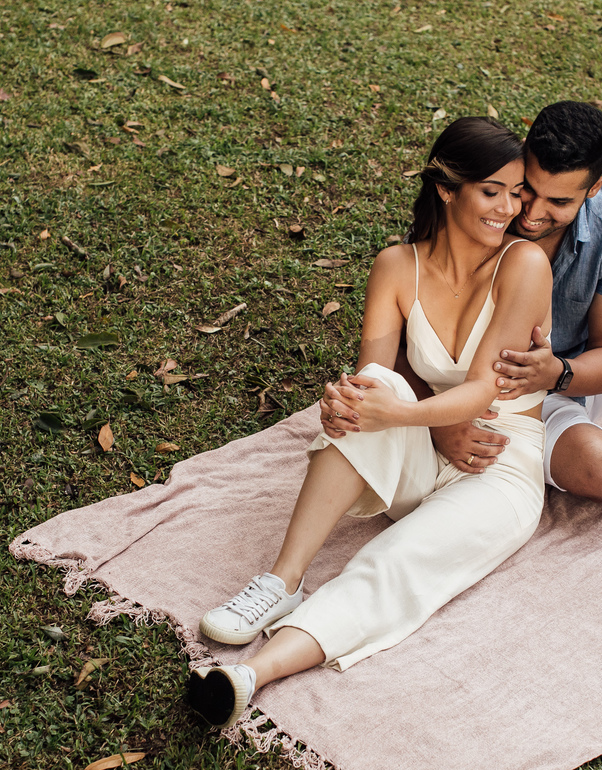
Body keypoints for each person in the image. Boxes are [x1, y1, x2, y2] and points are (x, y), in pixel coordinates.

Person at [185, 117, 553, 728]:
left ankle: (247, 677)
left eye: (516, 193)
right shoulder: (395, 266)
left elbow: (488, 387)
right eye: (493, 191)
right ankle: (283, 580)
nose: (509, 208)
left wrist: (404, 412)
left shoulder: (525, 264)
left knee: (399, 561)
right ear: (446, 188)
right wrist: (344, 404)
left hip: (498, 463)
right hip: (428, 444)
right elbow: (374, 380)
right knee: (369, 388)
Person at [324, 101, 602, 550]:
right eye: (529, 189)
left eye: (559, 201)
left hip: (573, 370)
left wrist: (557, 372)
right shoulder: (479, 207)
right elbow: (407, 343)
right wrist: (436, 423)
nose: (529, 213)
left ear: (594, 188)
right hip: (496, 394)